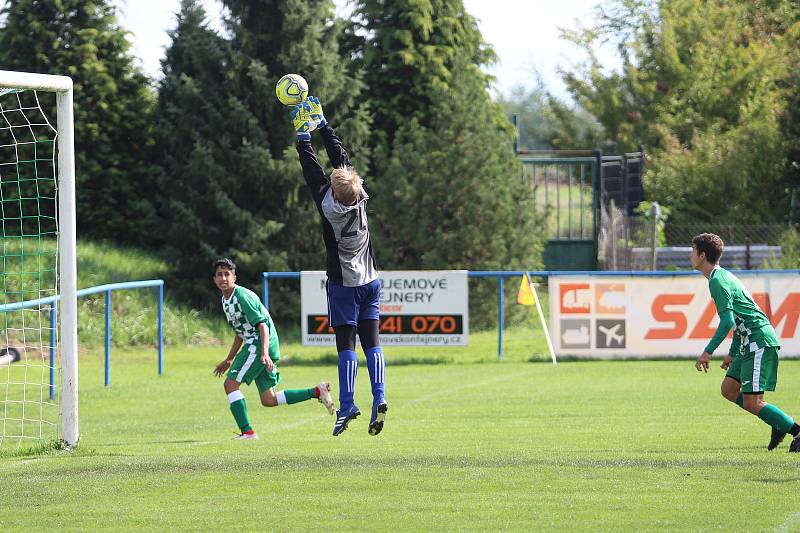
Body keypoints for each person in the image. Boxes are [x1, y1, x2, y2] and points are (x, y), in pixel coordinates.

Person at [291, 96, 388, 437]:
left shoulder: (328, 206)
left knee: (346, 344)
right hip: (371, 281)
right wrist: (323, 125)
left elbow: (312, 169)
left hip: (344, 284)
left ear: (334, 189)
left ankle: (347, 404)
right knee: (372, 342)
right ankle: (380, 396)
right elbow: (340, 160)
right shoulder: (359, 197)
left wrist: (303, 137)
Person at [691, 233, 800, 452]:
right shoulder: (720, 277)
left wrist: (708, 351)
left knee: (753, 402)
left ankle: (795, 430)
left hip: (758, 340)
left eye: (692, 251)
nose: (690, 255)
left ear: (702, 256)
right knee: (729, 389)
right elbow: (739, 318)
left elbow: (728, 322)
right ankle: (777, 423)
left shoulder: (718, 281)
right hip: (748, 341)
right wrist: (732, 352)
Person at [212, 258, 334, 440]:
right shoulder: (225, 299)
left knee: (230, 384)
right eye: (219, 275)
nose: (223, 278)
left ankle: (248, 432)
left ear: (234, 277)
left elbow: (262, 326)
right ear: (214, 279)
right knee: (268, 400)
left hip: (260, 344)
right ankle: (317, 391)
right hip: (257, 343)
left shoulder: (242, 296)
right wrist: (229, 358)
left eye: (227, 274)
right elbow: (240, 332)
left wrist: (264, 353)